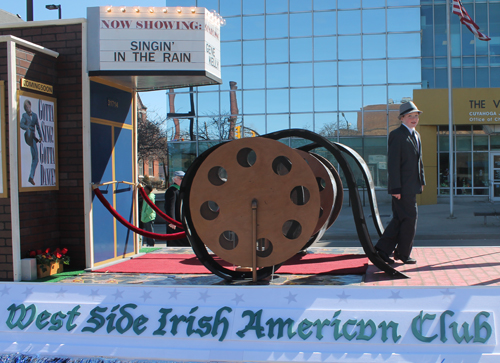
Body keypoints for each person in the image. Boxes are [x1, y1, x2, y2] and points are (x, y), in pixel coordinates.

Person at [375, 101, 425, 265]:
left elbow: (419, 161)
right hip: (401, 187)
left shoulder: (416, 135)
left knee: (402, 218)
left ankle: (392, 252)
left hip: (412, 185)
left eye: (416, 116)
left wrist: (421, 180)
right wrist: (395, 187)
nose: (414, 119)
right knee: (409, 218)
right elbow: (393, 163)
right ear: (402, 118)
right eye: (410, 116)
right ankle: (392, 251)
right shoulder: (397, 135)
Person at [164, 170, 190, 246]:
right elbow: (170, 207)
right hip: (175, 221)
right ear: (175, 179)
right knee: (176, 242)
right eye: (181, 178)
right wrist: (172, 220)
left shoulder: (180, 190)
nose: (183, 180)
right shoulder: (172, 190)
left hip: (182, 220)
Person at [20, 99, 42, 186]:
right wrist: (27, 127)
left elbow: (38, 127)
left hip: (33, 137)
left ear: (30, 106)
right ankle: (31, 177)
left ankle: (31, 177)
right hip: (28, 136)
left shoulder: (35, 116)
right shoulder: (24, 115)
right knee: (35, 157)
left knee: (35, 158)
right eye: (26, 107)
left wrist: (40, 136)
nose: (28, 109)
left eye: (28, 107)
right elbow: (21, 124)